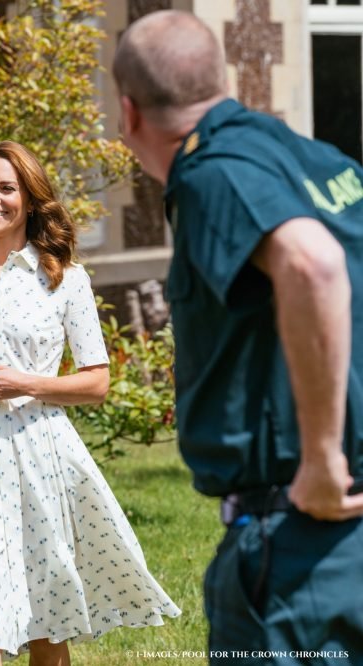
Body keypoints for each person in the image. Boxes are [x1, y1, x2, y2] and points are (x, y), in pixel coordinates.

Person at [113, 10, 363, 662]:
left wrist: (321, 458)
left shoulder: (214, 172)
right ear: (218, 82)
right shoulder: (317, 159)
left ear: (128, 113)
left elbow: (313, 265)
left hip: (300, 547)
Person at [0, 141, 180, 666]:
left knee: (46, 624)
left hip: (40, 455)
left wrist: (24, 383)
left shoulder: (65, 278)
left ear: (30, 200)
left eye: (7, 188)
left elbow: (96, 382)